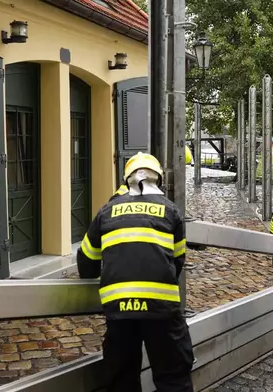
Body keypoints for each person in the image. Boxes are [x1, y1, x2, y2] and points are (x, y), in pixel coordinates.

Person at [76, 152, 194, 392]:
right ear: (158, 179)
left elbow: (85, 263)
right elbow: (178, 261)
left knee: (121, 380)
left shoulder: (106, 212)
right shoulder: (171, 212)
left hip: (119, 311)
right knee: (173, 378)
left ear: (126, 179)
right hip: (162, 310)